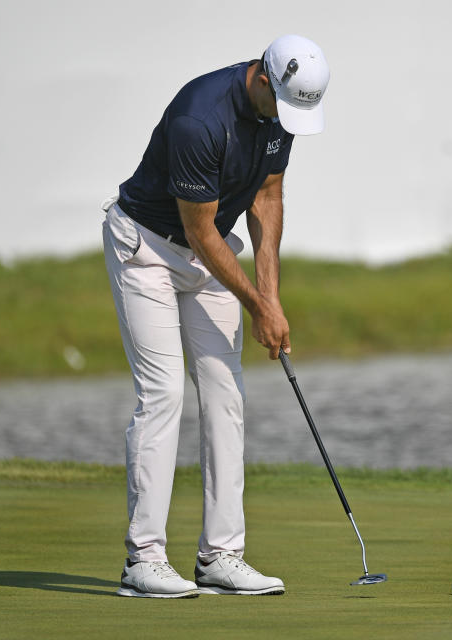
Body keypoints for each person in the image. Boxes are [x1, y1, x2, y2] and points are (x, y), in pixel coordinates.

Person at [101, 34, 330, 598]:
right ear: (261, 79)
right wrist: (256, 305)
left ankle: (221, 556)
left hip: (207, 249)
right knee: (164, 396)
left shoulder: (281, 115)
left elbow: (268, 198)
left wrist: (270, 298)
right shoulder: (198, 118)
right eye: (284, 104)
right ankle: (143, 561)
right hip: (147, 248)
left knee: (226, 393)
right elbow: (201, 233)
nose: (288, 118)